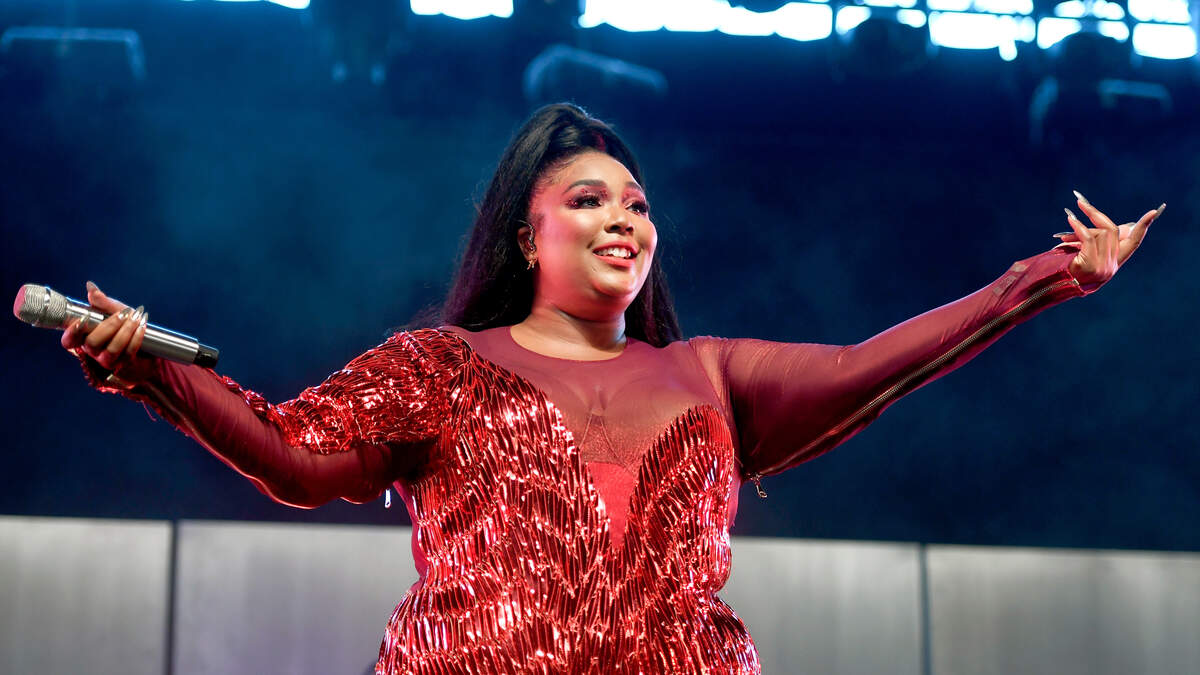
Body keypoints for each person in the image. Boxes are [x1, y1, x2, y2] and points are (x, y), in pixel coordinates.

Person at [62, 104, 1162, 674]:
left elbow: (885, 363)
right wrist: (152, 372)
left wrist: (1050, 278)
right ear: (527, 235)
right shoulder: (439, 367)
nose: (624, 219)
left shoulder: (710, 378)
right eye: (588, 200)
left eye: (636, 203)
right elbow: (291, 454)